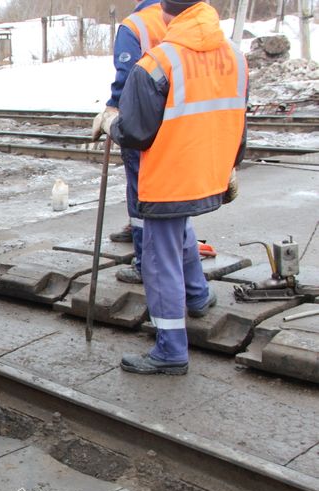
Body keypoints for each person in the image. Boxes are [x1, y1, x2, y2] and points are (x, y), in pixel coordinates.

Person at [99, 0, 246, 374]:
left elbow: (136, 133)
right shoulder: (234, 54)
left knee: (159, 262)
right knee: (181, 233)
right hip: (209, 171)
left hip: (169, 178)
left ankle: (170, 350)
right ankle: (197, 297)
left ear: (165, 12)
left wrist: (110, 122)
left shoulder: (158, 62)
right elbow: (237, 115)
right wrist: (231, 166)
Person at [92, 0, 167, 284]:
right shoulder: (183, 17)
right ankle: (158, 249)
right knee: (171, 195)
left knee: (140, 191)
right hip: (177, 121)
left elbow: (127, 77)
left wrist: (112, 108)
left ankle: (145, 262)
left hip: (143, 123)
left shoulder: (135, 25)